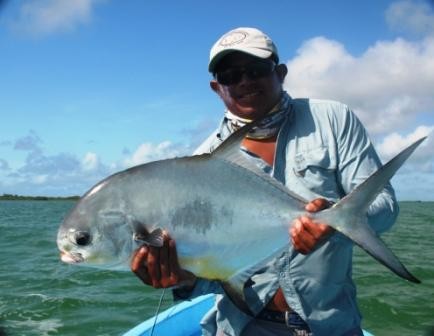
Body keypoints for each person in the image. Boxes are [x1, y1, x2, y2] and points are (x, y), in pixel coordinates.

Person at [131, 27, 398, 336]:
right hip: (241, 325)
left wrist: (333, 228)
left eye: (256, 69)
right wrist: (181, 277)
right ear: (217, 88)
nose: (244, 81)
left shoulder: (333, 120)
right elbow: (212, 273)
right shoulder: (199, 165)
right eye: (230, 76)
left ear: (280, 72)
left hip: (330, 325)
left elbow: (385, 208)